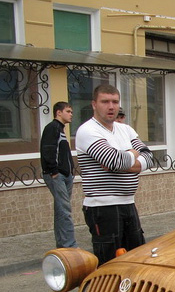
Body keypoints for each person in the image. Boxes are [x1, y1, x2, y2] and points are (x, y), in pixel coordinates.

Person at [75, 84, 155, 265]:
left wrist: (123, 159)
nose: (111, 106)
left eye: (115, 102)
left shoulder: (125, 130)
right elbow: (115, 161)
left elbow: (149, 158)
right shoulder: (88, 131)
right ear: (94, 104)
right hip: (103, 208)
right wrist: (132, 155)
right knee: (109, 262)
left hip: (128, 203)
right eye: (105, 101)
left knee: (137, 258)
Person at [40, 101, 78, 248]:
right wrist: (54, 171)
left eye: (72, 112)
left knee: (61, 211)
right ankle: (70, 245)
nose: (71, 115)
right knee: (65, 210)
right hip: (57, 176)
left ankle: (62, 244)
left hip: (65, 175)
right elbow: (48, 150)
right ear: (59, 113)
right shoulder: (52, 128)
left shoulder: (60, 129)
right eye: (68, 111)